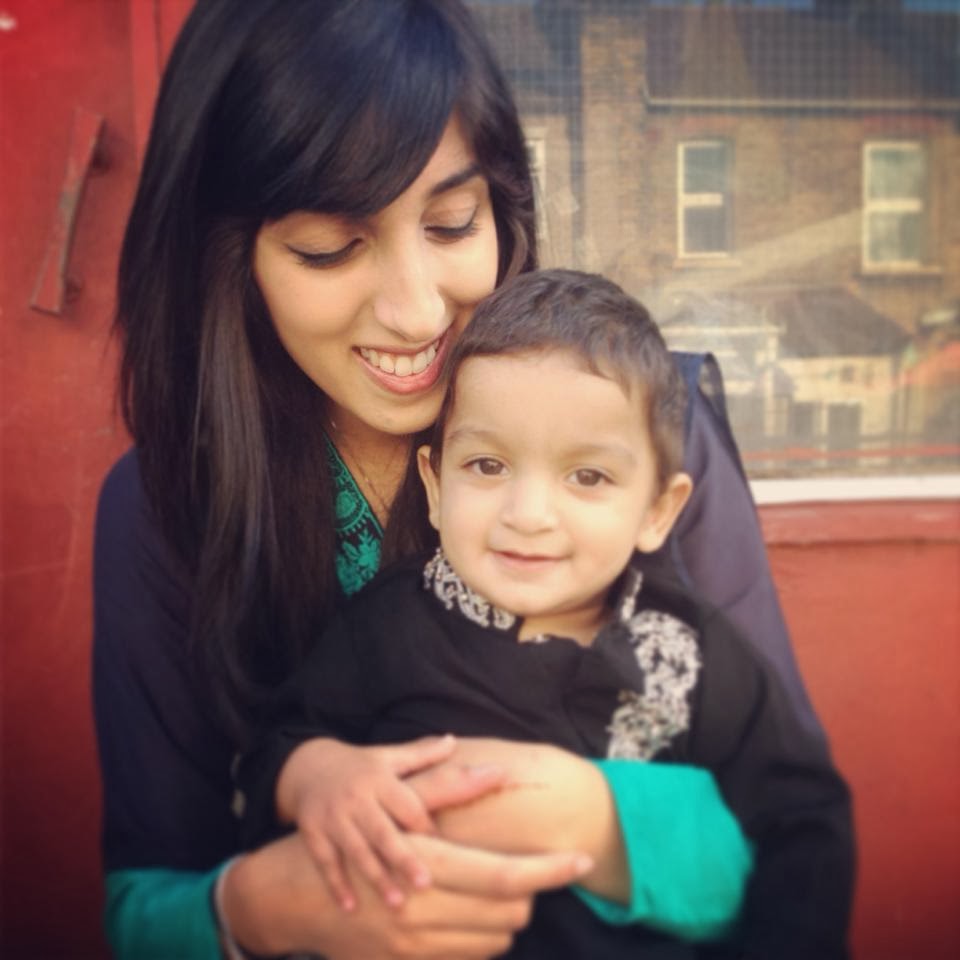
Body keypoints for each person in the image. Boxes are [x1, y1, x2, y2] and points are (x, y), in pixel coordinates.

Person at [92, 1, 831, 958]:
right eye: (328, 248)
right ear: (227, 259)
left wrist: (595, 817)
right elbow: (141, 907)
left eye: (451, 224)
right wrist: (265, 909)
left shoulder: (650, 436)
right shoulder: (165, 505)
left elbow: (792, 832)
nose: (415, 312)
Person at [238, 269, 854, 960]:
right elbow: (272, 747)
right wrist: (315, 775)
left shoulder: (691, 653)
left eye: (587, 476)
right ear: (435, 487)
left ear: (657, 511)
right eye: (487, 466)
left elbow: (802, 825)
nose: (528, 514)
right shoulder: (388, 627)